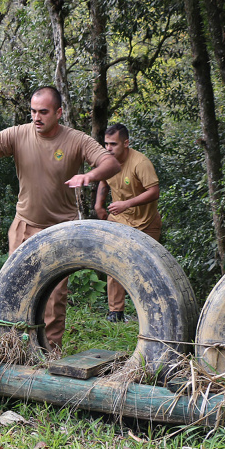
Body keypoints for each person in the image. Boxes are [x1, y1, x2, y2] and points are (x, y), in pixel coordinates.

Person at [0, 86, 120, 350]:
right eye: (33, 111)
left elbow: (111, 163)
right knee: (14, 288)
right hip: (24, 225)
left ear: (59, 112)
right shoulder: (18, 134)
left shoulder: (76, 140)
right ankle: (12, 346)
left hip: (60, 229)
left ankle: (49, 352)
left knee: (54, 297)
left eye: (43, 112)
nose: (36, 117)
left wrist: (90, 175)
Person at [94, 123, 161, 323]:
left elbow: (154, 191)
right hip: (119, 219)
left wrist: (126, 203)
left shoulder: (140, 163)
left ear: (126, 143)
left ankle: (150, 313)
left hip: (146, 222)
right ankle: (115, 312)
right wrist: (98, 204)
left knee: (146, 267)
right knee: (113, 260)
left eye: (113, 144)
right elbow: (103, 181)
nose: (108, 148)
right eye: (106, 144)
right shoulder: (107, 161)